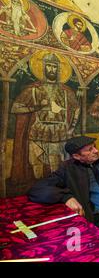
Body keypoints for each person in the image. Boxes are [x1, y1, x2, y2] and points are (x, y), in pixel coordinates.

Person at [27, 136, 99, 262]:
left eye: (94, 147)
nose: (95, 150)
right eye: (89, 149)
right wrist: (66, 197)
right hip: (97, 214)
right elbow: (37, 190)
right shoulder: (67, 169)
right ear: (77, 156)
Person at [11, 52, 80, 183]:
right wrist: (36, 107)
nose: (52, 69)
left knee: (55, 160)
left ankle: (54, 184)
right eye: (49, 66)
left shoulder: (65, 91)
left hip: (59, 130)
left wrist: (72, 127)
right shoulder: (34, 89)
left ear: (58, 69)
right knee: (35, 160)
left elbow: (76, 108)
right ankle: (38, 184)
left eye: (54, 67)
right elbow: (15, 108)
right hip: (39, 129)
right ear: (43, 68)